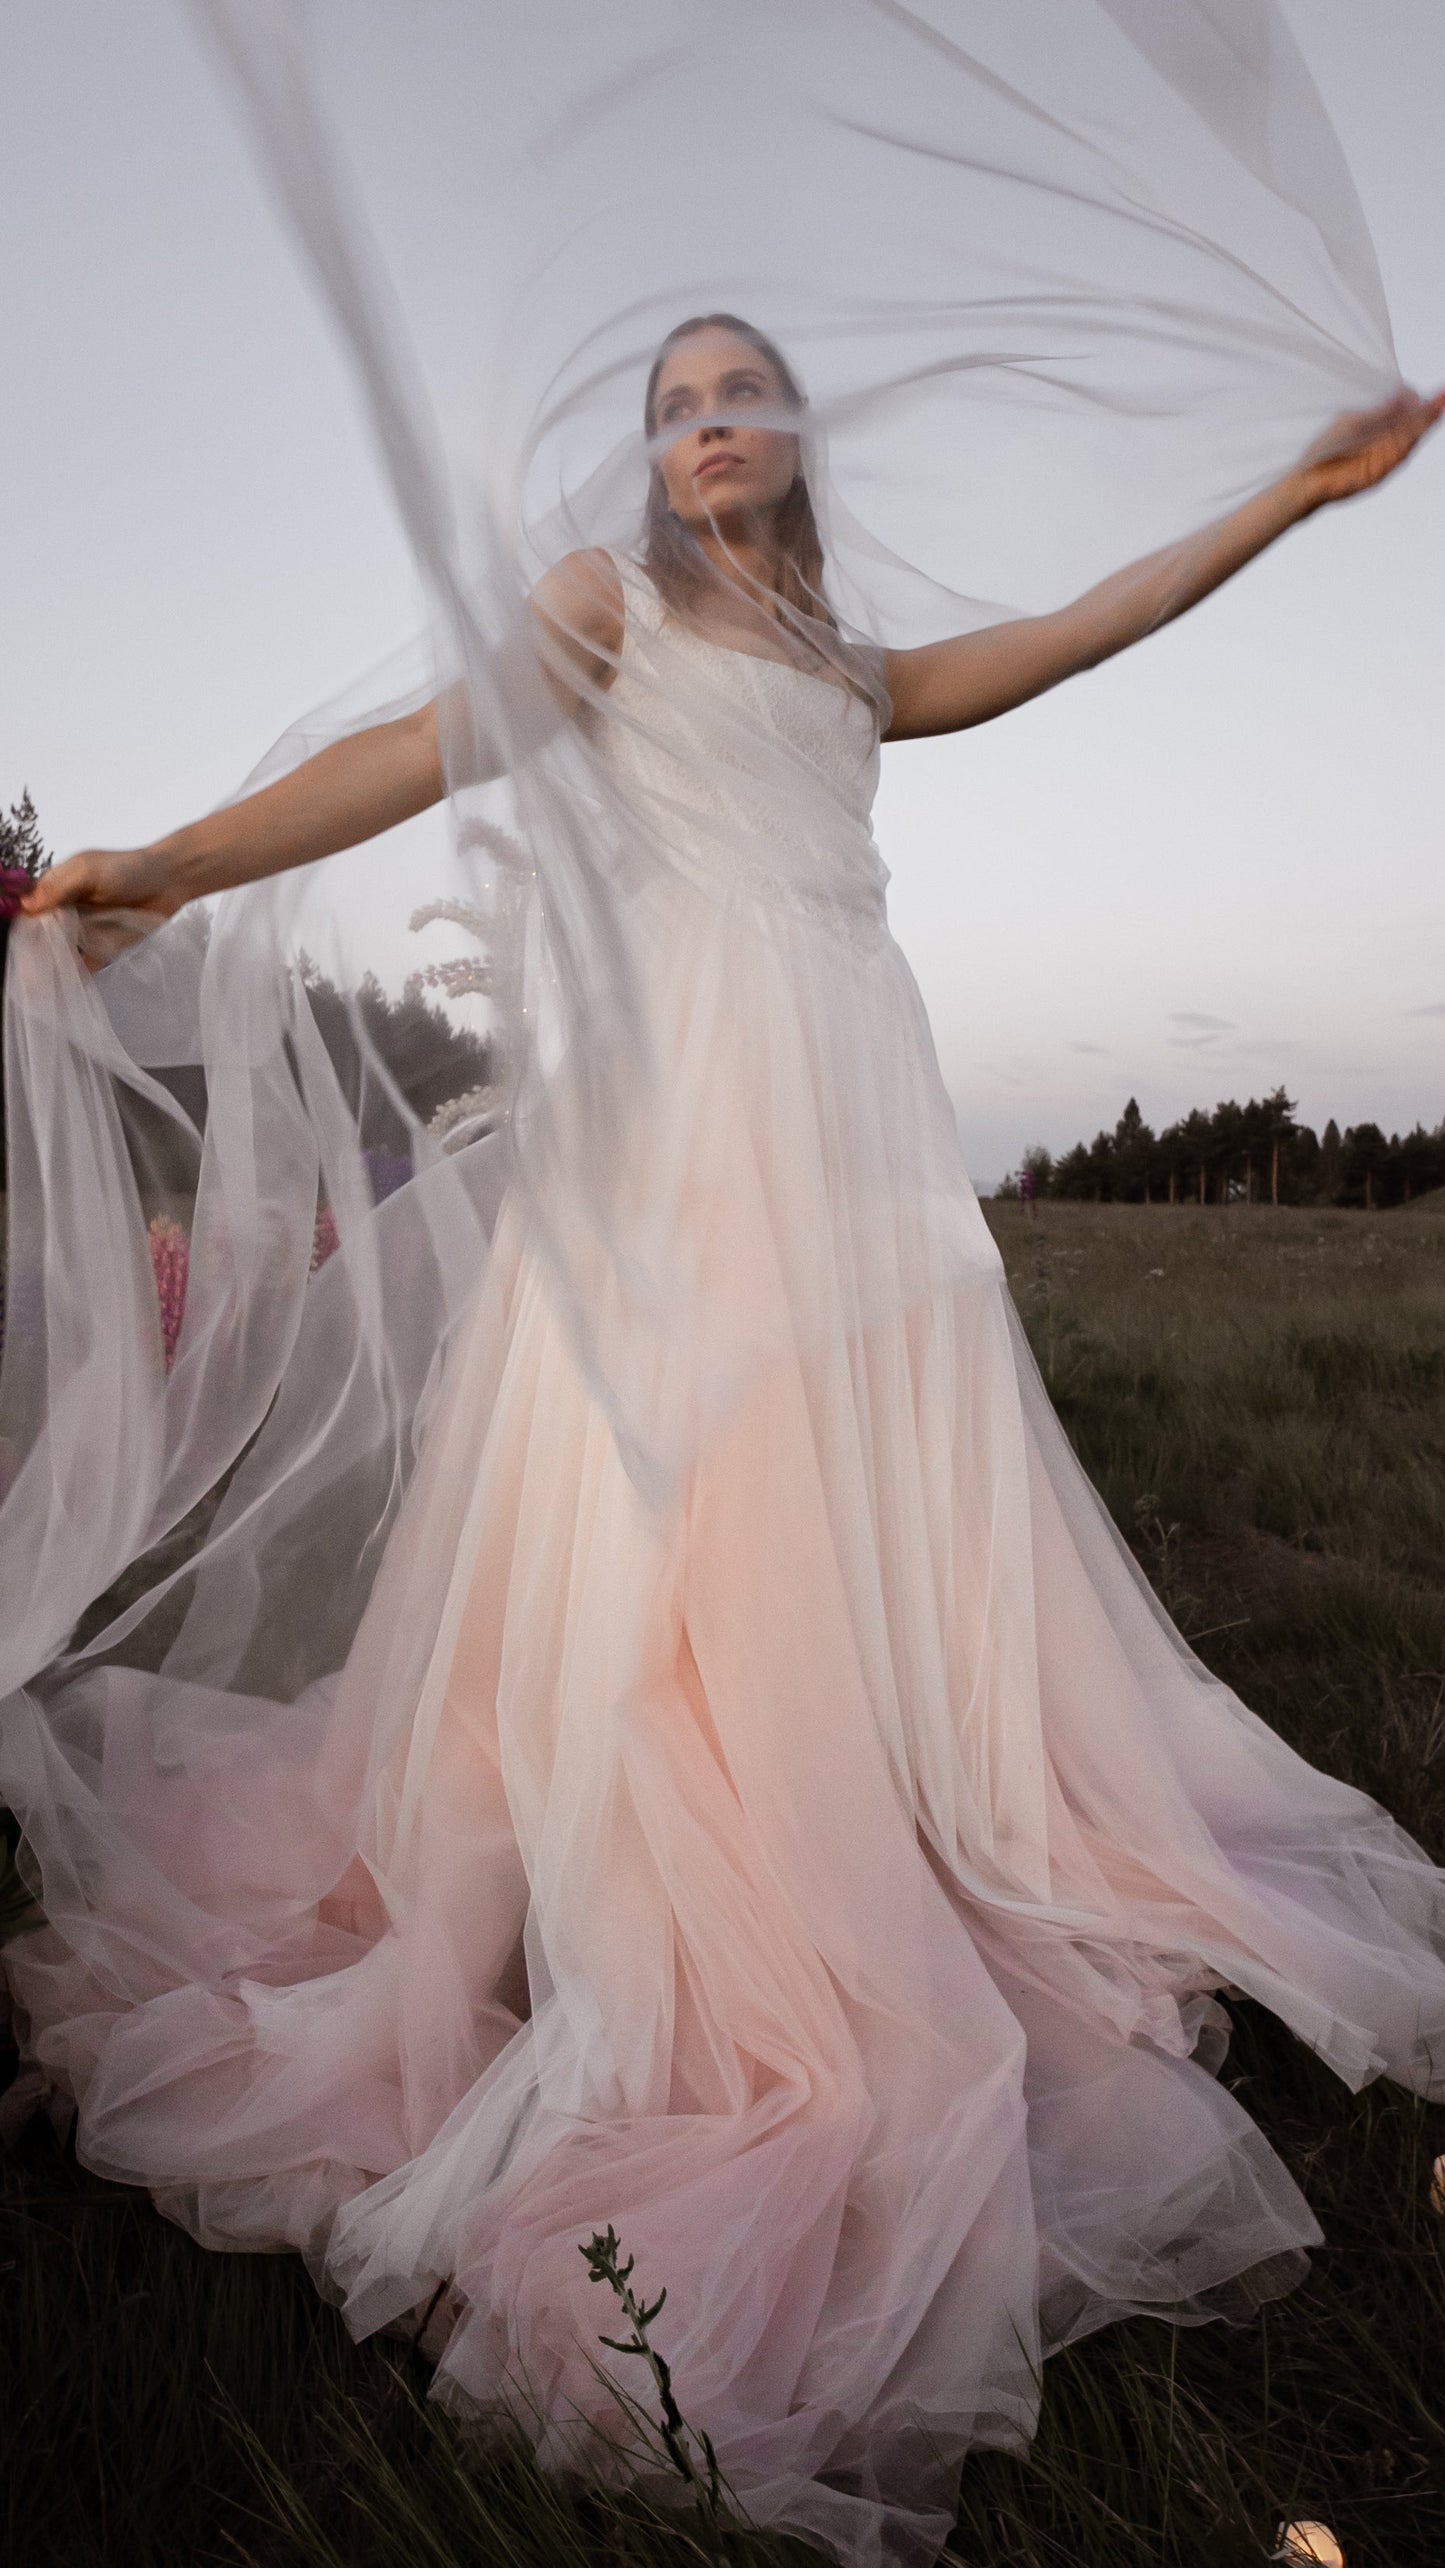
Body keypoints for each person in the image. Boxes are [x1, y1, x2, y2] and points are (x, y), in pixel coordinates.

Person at [6, 313, 1444, 2568]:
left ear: (797, 440)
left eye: (740, 391)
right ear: (650, 462)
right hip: (682, 1145)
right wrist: (166, 867)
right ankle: (658, 1879)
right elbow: (405, 754)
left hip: (856, 1144)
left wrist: (1282, 504)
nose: (704, 429)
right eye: (672, 404)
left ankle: (864, 1808)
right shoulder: (609, 618)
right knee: (656, 1529)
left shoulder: (857, 670)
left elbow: (1071, 638)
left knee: (863, 1523)